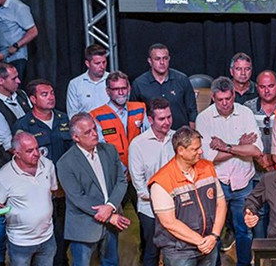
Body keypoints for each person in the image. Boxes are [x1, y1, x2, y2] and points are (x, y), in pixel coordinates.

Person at [196, 76, 263, 266]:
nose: (225, 103)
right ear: (213, 97)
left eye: (228, 98)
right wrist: (239, 146)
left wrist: (225, 146)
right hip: (216, 184)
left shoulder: (246, 113)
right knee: (214, 231)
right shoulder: (204, 118)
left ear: (234, 94)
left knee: (244, 230)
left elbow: (256, 150)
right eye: (220, 100)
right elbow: (208, 157)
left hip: (243, 182)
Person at [13, 79, 74, 266]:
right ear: (32, 99)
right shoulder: (24, 126)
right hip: (39, 193)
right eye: (44, 94)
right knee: (44, 239)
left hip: (65, 190)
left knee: (64, 235)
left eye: (52, 93)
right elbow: (20, 162)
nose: (51, 98)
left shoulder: (64, 119)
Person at [56, 113, 130, 266]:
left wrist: (110, 207)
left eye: (94, 129)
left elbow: (121, 181)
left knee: (111, 262)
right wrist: (109, 216)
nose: (94, 134)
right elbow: (77, 197)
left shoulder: (109, 150)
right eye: (87, 132)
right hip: (84, 226)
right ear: (76, 137)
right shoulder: (65, 163)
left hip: (111, 223)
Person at [149, 126, 226, 266]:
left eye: (200, 147)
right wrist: (201, 241)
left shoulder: (208, 167)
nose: (201, 152)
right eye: (195, 149)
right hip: (179, 251)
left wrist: (214, 236)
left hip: (209, 243)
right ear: (180, 151)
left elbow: (220, 203)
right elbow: (169, 222)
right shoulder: (162, 181)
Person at [0, 62, 31, 265]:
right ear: (0, 81)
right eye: (13, 78)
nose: (19, 81)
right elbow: (7, 144)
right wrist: (31, 152)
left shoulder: (21, 95)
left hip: (27, 166)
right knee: (3, 215)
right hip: (5, 168)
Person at [0, 132, 58, 266]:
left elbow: (53, 190)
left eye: (36, 148)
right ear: (17, 153)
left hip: (48, 237)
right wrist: (16, 212)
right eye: (29, 151)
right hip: (21, 243)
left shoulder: (48, 165)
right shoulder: (2, 178)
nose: (37, 154)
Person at [91, 70, 148, 212]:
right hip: (115, 175)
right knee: (112, 217)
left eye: (124, 88)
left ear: (129, 88)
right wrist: (122, 169)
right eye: (116, 89)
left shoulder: (140, 108)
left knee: (147, 216)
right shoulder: (97, 115)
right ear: (108, 91)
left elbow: (147, 137)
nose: (121, 92)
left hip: (140, 172)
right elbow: (100, 147)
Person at [128, 98, 176, 266]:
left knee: (176, 249)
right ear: (150, 120)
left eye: (169, 117)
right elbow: (138, 183)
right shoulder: (138, 145)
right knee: (151, 250)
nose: (167, 122)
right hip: (149, 209)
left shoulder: (177, 138)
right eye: (161, 119)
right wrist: (160, 201)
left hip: (177, 206)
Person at [243, 70, 276, 238]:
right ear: (257, 88)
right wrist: (260, 158)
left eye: (271, 86)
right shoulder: (246, 108)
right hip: (257, 172)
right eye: (262, 87)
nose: (267, 90)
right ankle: (261, 252)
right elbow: (243, 140)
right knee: (259, 213)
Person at [131, 43, 198, 129]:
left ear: (169, 59)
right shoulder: (139, 84)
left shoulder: (182, 79)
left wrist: (191, 133)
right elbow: (134, 114)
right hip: (152, 136)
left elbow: (192, 110)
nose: (162, 62)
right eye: (157, 59)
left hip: (180, 135)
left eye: (165, 58)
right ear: (150, 61)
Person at [66, 44, 109, 116]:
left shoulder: (113, 81)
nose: (102, 66)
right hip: (86, 126)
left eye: (104, 62)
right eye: (97, 63)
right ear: (87, 64)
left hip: (111, 125)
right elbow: (73, 115)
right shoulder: (75, 84)